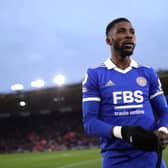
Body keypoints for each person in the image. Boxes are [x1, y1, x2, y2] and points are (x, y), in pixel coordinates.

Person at [82, 17, 168, 168]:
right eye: (122, 31)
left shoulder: (147, 72)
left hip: (151, 159)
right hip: (117, 161)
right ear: (109, 41)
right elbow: (90, 123)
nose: (129, 35)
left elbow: (164, 111)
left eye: (132, 32)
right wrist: (123, 132)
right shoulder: (95, 74)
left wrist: (163, 130)